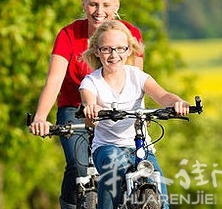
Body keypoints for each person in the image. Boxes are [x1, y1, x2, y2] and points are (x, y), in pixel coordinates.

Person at [29, 0, 145, 209]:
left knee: (128, 165)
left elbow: (137, 80)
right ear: (83, 5)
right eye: (93, 4)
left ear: (117, 6)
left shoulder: (130, 34)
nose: (99, 11)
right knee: (79, 167)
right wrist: (41, 117)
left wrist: (140, 116)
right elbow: (54, 79)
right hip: (76, 109)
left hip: (116, 108)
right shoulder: (69, 35)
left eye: (106, 5)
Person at [79, 20, 188, 209]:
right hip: (107, 147)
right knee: (113, 169)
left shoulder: (137, 76)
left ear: (129, 50)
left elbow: (163, 95)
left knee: (158, 180)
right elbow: (89, 101)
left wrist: (177, 102)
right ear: (97, 51)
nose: (114, 55)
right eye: (107, 49)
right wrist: (91, 108)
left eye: (121, 48)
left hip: (140, 146)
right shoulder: (91, 82)